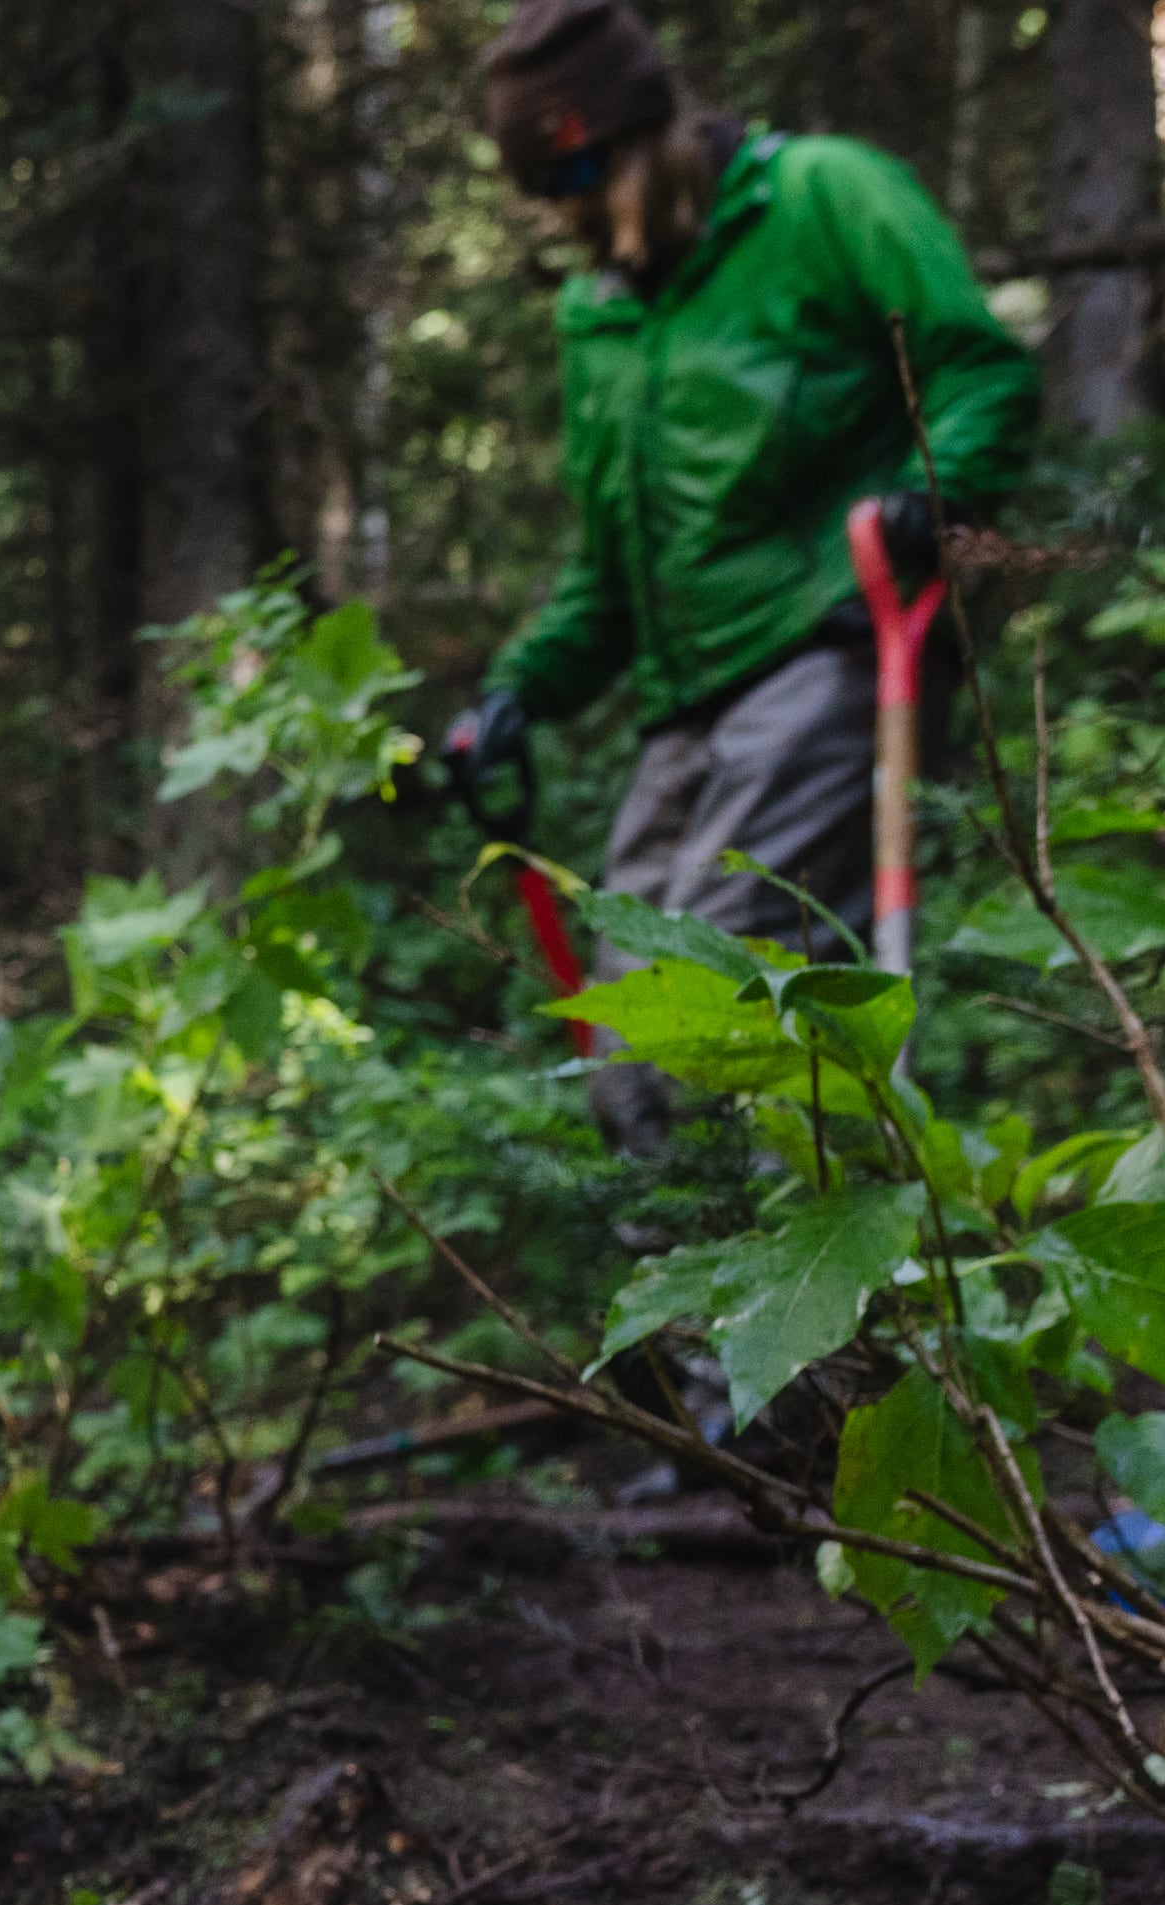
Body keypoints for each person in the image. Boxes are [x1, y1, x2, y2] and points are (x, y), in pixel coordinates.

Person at [438, 0, 1034, 1145]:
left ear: (617, 139)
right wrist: (520, 690)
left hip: (826, 643)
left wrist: (937, 490)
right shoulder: (599, 310)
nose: (567, 224)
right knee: (625, 1033)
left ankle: (805, 1305)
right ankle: (674, 1306)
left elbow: (977, 369)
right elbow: (611, 563)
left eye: (575, 188)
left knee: (720, 996)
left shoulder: (822, 194)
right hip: (686, 699)